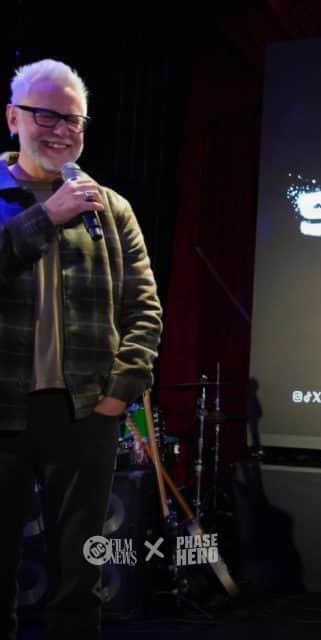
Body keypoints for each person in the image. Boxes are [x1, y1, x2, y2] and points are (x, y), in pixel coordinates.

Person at [0, 59, 163, 639]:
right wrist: (47, 216)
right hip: (5, 412)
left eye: (74, 119)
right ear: (13, 117)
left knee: (82, 579)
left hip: (86, 413)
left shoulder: (110, 208)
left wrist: (118, 396)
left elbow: (144, 309)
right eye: (47, 114)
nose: (62, 129)